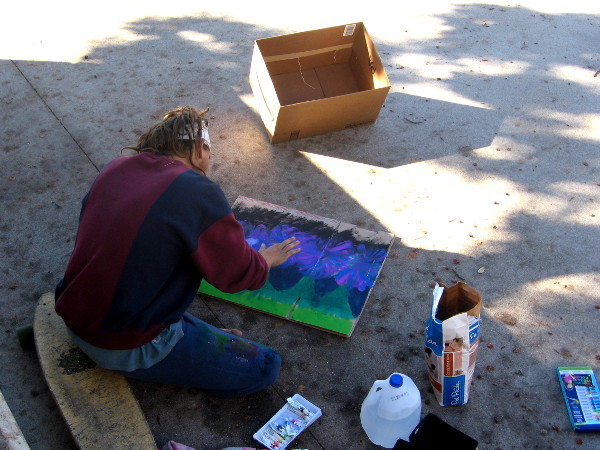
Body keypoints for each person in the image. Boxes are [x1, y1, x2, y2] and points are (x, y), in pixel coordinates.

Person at [54, 106, 300, 398]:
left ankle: (193, 339)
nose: (208, 162)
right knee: (266, 368)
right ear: (198, 149)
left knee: (182, 300)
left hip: (77, 314)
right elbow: (237, 276)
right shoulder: (196, 190)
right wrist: (267, 258)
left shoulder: (115, 168)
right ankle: (176, 348)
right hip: (121, 343)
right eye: (208, 152)